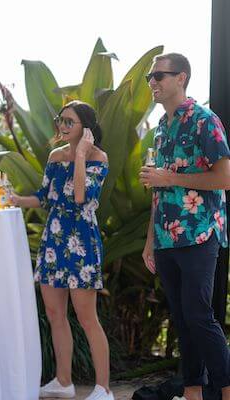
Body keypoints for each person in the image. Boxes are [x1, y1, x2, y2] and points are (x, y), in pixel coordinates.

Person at [139, 53, 230, 400]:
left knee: (199, 315)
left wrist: (169, 177)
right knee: (182, 319)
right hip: (165, 237)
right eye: (150, 76)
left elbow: (225, 178)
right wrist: (150, 240)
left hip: (199, 232)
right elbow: (158, 191)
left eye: (159, 75)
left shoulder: (205, 120)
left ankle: (225, 389)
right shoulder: (161, 128)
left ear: (182, 77)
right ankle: (191, 392)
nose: (153, 82)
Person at [12, 101, 112, 400]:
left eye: (70, 122)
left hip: (82, 243)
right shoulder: (55, 156)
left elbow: (81, 197)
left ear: (86, 127)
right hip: (54, 242)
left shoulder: (98, 158)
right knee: (55, 313)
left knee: (86, 318)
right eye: (61, 120)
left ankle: (104, 388)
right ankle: (63, 381)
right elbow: (45, 196)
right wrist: (16, 199)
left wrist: (80, 154)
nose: (63, 127)